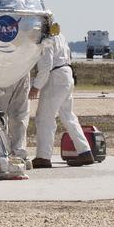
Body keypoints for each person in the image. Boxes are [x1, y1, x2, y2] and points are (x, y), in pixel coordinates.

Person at [30, 20, 94, 168]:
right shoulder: (60, 36)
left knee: (44, 118)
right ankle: (85, 152)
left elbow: (45, 66)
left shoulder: (46, 41)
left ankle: (43, 157)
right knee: (68, 115)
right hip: (67, 74)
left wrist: (36, 86)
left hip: (55, 77)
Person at [0, 71, 31, 162]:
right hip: (19, 68)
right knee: (14, 114)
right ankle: (14, 150)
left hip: (5, 71)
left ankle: (3, 150)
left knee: (0, 114)